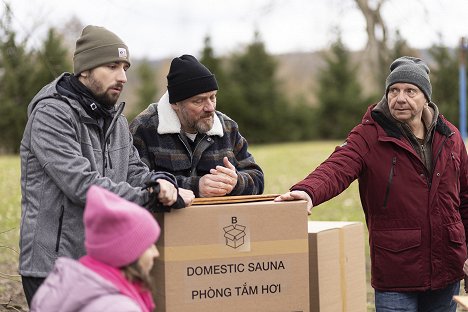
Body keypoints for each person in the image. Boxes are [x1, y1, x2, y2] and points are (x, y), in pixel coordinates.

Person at [275, 56, 468, 312]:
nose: (400, 98)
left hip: (448, 266)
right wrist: (307, 191)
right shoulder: (370, 134)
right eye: (393, 90)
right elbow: (338, 166)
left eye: (410, 91)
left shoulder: (450, 136)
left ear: (425, 98)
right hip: (396, 268)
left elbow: (465, 198)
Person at [19, 25, 194, 306]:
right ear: (85, 69)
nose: (122, 76)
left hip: (102, 264)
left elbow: (135, 171)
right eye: (112, 66)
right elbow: (82, 185)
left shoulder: (116, 120)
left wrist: (161, 183)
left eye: (125, 67)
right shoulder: (51, 114)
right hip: (53, 266)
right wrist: (148, 197)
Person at [130, 54, 264, 198]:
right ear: (175, 103)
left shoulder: (228, 128)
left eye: (212, 97)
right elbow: (134, 183)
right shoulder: (144, 129)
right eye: (198, 101)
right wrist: (195, 187)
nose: (210, 108)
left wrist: (236, 182)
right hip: (167, 219)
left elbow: (258, 179)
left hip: (218, 219)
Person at [30, 185, 161, 312]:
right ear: (125, 254)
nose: (156, 253)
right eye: (148, 246)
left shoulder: (64, 286)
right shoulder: (120, 307)